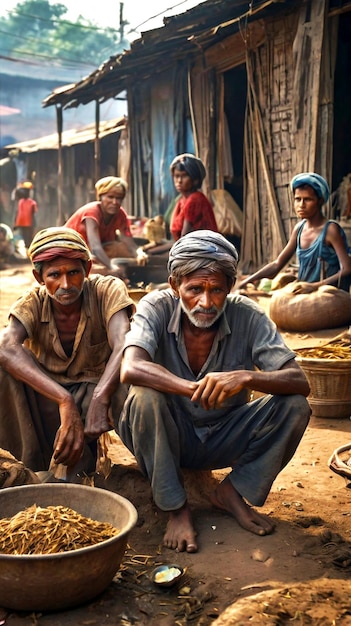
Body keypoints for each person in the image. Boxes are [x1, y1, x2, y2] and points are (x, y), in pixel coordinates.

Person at [118, 230, 311, 553]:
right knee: (144, 396)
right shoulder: (156, 305)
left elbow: (298, 381)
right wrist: (194, 388)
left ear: (230, 288)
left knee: (295, 406)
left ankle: (231, 492)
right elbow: (131, 367)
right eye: (194, 289)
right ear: (174, 285)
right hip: (168, 434)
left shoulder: (246, 314)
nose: (206, 302)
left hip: (224, 434)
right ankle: (176, 509)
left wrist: (245, 377)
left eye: (216, 290)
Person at [0, 226, 135, 481]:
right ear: (39, 278)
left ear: (88, 270)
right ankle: (29, 466)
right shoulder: (32, 302)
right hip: (51, 397)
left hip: (99, 391)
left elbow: (124, 341)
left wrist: (99, 395)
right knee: (4, 369)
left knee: (133, 375)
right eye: (54, 275)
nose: (65, 284)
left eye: (74, 273)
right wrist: (64, 400)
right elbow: (5, 346)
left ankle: (154, 472)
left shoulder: (107, 289)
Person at [238, 172, 351, 293]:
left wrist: (315, 286)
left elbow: (347, 269)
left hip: (328, 295)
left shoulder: (330, 230)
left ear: (320, 201)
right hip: (304, 293)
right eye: (298, 199)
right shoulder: (299, 229)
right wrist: (246, 281)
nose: (301, 205)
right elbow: (277, 265)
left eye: (307, 199)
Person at [65, 176, 147, 280]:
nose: (114, 202)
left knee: (120, 248)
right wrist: (111, 266)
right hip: (72, 251)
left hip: (92, 252)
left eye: (119, 198)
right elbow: (95, 248)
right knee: (100, 270)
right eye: (110, 197)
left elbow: (128, 242)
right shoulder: (92, 212)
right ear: (100, 197)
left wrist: (139, 253)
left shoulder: (120, 214)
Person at [169, 153, 218, 241]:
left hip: (202, 251)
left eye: (184, 176)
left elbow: (184, 239)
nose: (179, 181)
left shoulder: (195, 199)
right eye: (177, 176)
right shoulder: (181, 201)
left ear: (195, 180)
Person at [13, 181, 38, 248]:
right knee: (28, 238)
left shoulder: (22, 202)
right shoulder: (31, 202)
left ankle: (28, 248)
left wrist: (15, 223)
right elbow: (33, 213)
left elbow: (18, 213)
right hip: (28, 223)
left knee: (26, 238)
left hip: (23, 223)